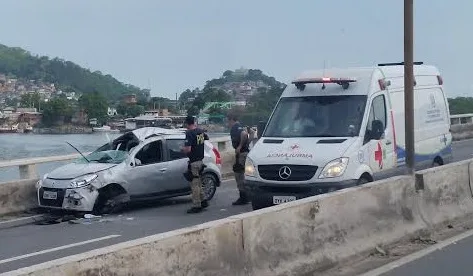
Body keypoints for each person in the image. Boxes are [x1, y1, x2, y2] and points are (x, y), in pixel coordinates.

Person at [181, 116, 209, 213]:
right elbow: (206, 138)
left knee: (194, 185)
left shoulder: (189, 133)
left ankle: (197, 205)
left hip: (194, 162)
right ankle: (204, 200)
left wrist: (182, 149)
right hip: (200, 160)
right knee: (198, 182)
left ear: (186, 123)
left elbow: (188, 149)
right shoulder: (200, 131)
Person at [227, 113, 250, 205]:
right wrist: (247, 144)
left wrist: (239, 146)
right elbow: (250, 133)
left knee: (239, 175)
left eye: (228, 121)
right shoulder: (241, 126)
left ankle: (243, 197)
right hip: (245, 152)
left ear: (232, 120)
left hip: (241, 154)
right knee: (244, 175)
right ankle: (247, 196)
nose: (227, 123)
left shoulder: (235, 128)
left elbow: (244, 134)